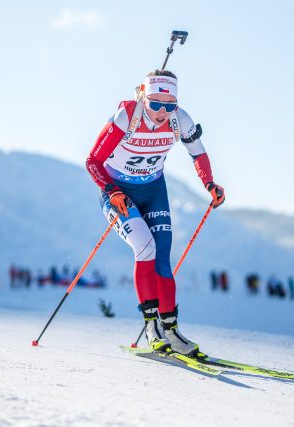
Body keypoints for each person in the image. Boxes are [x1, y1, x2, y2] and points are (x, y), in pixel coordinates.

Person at [85, 70, 225, 355]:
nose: (163, 112)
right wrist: (112, 191)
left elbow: (197, 153)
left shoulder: (179, 120)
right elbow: (93, 161)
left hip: (154, 192)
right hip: (119, 194)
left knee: (162, 259)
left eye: (169, 105)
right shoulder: (127, 116)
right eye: (156, 104)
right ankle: (152, 328)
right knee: (145, 248)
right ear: (143, 97)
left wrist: (209, 183)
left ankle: (171, 331)